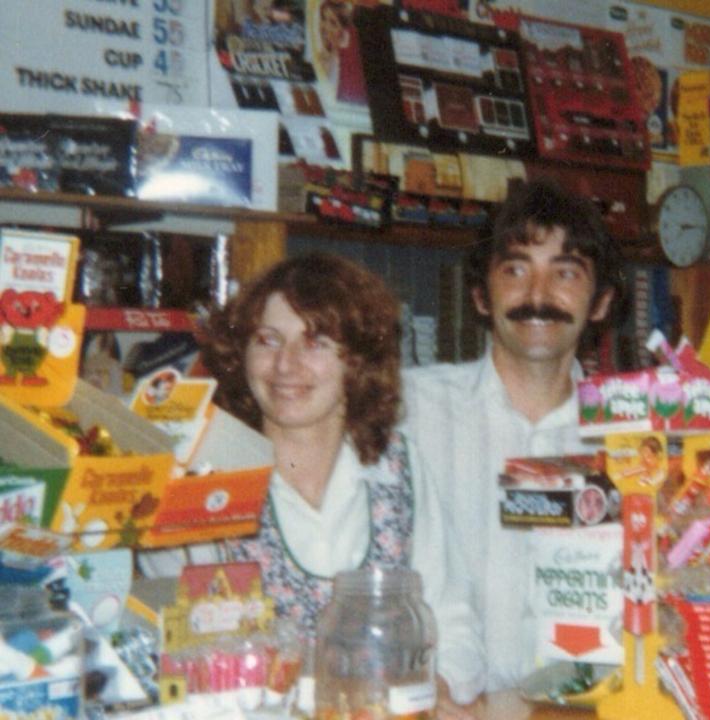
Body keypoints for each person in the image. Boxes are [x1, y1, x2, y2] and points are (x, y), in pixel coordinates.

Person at [138, 253, 481, 716]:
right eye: (267, 340)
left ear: (357, 360)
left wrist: (436, 686)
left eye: (315, 342)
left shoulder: (398, 467)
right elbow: (174, 657)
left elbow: (453, 620)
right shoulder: (201, 477)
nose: (286, 365)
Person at [403, 178, 627, 694]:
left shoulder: (630, 441)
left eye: (566, 273)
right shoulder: (408, 410)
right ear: (481, 295)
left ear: (600, 303)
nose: (538, 297)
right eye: (516, 270)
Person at [314, 0, 368, 105]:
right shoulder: (323, 59)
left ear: (344, 31)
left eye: (333, 23)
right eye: (323, 19)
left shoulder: (351, 64)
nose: (325, 27)